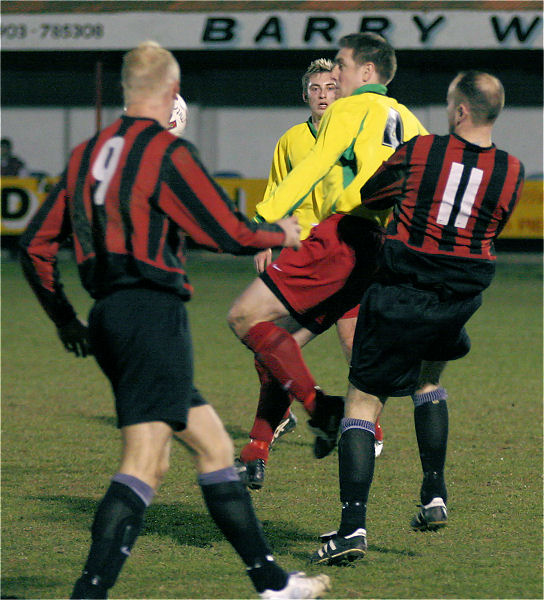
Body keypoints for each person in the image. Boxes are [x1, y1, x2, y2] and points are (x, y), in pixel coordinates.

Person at [19, 41, 331, 600]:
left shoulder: (84, 154)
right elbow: (228, 232)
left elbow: (35, 246)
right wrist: (281, 233)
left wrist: (66, 319)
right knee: (145, 463)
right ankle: (87, 594)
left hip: (110, 317)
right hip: (152, 316)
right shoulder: (166, 153)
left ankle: (272, 582)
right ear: (170, 92)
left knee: (212, 446)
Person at [310, 70, 525, 566]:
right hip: (457, 299)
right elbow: (490, 229)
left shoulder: (421, 151)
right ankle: (433, 495)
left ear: (461, 111)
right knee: (428, 381)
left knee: (362, 404)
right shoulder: (512, 170)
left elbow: (370, 195)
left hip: (400, 292)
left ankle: (352, 528)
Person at [228, 33, 426, 488]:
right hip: (368, 247)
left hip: (336, 243)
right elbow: (421, 182)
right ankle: (260, 447)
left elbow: (315, 165)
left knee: (251, 320)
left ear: (363, 74)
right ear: (305, 94)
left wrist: (260, 221)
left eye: (339, 69)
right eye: (319, 83)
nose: (331, 82)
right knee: (277, 350)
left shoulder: (349, 113)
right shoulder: (406, 117)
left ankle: (333, 414)